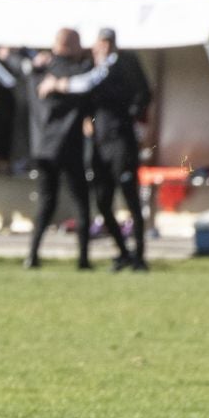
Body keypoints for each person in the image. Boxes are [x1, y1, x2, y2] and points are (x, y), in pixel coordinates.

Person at [53, 28, 153, 270]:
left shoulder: (122, 65)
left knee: (131, 199)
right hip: (99, 144)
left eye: (108, 43)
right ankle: (123, 252)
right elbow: (87, 94)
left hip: (121, 142)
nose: (104, 47)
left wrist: (134, 119)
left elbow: (143, 94)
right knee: (103, 202)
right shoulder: (93, 67)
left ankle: (139, 257)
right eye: (102, 43)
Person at [13, 29, 98, 269]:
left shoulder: (39, 71)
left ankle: (32, 255)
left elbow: (12, 58)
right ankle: (83, 259)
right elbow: (89, 81)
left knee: (45, 203)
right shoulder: (78, 72)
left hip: (43, 148)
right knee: (81, 203)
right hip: (70, 146)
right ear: (72, 45)